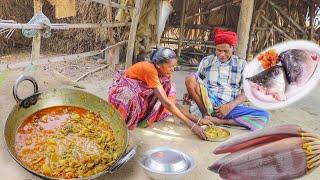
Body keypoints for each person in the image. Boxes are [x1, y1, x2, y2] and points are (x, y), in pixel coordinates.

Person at [108, 47, 214, 140]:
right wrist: (191, 125)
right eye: (170, 67)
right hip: (126, 88)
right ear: (158, 64)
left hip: (144, 89)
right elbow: (166, 102)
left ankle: (144, 113)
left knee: (170, 88)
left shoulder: (165, 73)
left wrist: (197, 120)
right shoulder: (149, 69)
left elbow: (170, 101)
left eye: (174, 67)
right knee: (129, 96)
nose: (173, 70)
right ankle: (125, 118)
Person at [184, 28, 269, 131]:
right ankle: (206, 115)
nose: (222, 54)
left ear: (233, 48)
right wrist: (190, 92)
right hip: (208, 103)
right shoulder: (207, 61)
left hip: (229, 107)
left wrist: (229, 106)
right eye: (219, 50)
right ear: (215, 48)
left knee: (263, 115)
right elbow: (196, 82)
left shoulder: (242, 64)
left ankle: (219, 121)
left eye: (226, 51)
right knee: (190, 78)